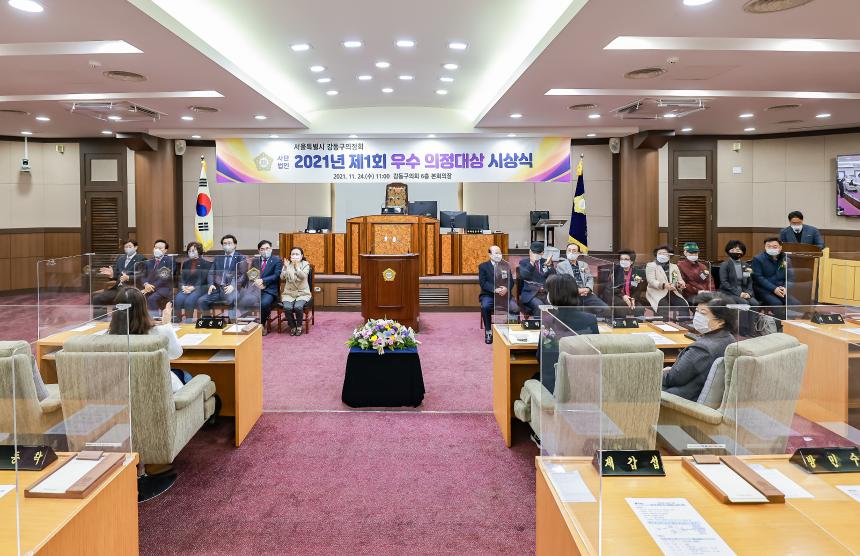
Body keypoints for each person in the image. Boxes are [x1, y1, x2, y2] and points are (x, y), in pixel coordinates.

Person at [108, 288, 187, 392]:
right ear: (143, 309)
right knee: (186, 375)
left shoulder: (108, 337)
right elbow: (176, 354)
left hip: (122, 390)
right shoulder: (158, 332)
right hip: (158, 389)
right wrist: (167, 325)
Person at [662, 292, 737, 401]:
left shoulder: (702, 349)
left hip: (681, 400)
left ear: (720, 321)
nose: (697, 316)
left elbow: (672, 379)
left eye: (703, 313)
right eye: (697, 311)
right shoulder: (730, 339)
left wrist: (662, 372)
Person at [534, 273, 599, 394]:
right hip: (585, 386)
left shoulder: (549, 320)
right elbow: (595, 354)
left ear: (553, 295)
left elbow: (540, 357)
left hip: (554, 387)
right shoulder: (590, 319)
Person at [92, 239, 146, 316]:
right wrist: (112, 275)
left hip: (130, 289)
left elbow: (142, 275)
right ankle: (100, 321)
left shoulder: (141, 258)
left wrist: (128, 277)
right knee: (97, 298)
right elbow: (117, 274)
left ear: (136, 247)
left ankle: (121, 322)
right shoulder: (121, 259)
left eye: (130, 246)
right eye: (126, 247)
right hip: (118, 289)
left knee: (118, 306)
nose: (127, 248)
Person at [198, 234, 248, 317]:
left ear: (235, 245)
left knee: (231, 299)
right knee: (201, 301)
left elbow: (243, 275)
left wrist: (234, 285)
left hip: (232, 289)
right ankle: (208, 320)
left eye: (229, 243)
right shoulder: (218, 257)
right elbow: (211, 272)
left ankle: (231, 321)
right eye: (224, 243)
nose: (227, 245)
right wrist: (211, 284)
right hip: (217, 288)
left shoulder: (241, 257)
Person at [555, 243, 610, 318]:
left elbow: (589, 278)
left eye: (574, 251)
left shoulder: (584, 264)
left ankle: (594, 322)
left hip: (586, 294)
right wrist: (577, 290)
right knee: (577, 314)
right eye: (569, 250)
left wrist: (588, 289)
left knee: (606, 309)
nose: (571, 252)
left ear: (578, 253)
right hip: (572, 295)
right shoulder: (561, 266)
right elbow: (563, 283)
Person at [241, 240, 283, 336]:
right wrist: (255, 282)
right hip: (256, 289)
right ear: (259, 251)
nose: (265, 251)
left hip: (269, 290)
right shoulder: (256, 260)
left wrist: (263, 281)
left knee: (264, 304)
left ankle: (261, 324)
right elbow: (252, 274)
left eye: (267, 248)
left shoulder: (277, 260)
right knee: (244, 300)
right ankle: (250, 323)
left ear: (271, 249)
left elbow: (277, 275)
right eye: (262, 249)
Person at [478, 245, 519, 344]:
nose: (499, 255)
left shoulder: (506, 265)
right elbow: (483, 283)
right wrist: (495, 290)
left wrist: (506, 288)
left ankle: (513, 331)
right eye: (496, 253)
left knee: (515, 307)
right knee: (485, 306)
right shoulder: (483, 266)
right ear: (490, 255)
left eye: (500, 253)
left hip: (505, 295)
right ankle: (488, 332)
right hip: (489, 295)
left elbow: (511, 281)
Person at [752, 237, 796, 318]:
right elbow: (758, 278)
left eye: (775, 246)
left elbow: (791, 277)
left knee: (795, 304)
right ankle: (780, 324)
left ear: (780, 247)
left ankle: (791, 323)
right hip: (764, 289)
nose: (771, 248)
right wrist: (774, 289)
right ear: (765, 247)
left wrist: (785, 288)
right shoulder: (758, 259)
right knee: (777, 304)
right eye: (768, 246)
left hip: (781, 289)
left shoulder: (786, 259)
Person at [645, 245, 691, 319]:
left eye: (665, 254)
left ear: (669, 255)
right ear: (656, 255)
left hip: (672, 292)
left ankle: (683, 323)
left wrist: (680, 284)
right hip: (657, 292)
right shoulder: (651, 265)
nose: (662, 255)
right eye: (660, 253)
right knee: (664, 307)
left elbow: (679, 280)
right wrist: (664, 285)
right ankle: (665, 324)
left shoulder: (674, 266)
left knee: (683, 305)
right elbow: (651, 281)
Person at [174, 242, 211, 323]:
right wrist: (183, 286)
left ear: (199, 251)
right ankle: (177, 318)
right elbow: (182, 277)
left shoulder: (206, 264)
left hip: (200, 288)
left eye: (193, 250)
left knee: (189, 300)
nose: (191, 252)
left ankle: (189, 320)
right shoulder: (186, 263)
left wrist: (193, 287)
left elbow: (203, 279)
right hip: (187, 287)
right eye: (189, 250)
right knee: (178, 299)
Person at [517, 241, 555, 317]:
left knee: (553, 306)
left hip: (545, 293)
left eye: (538, 253)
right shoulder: (524, 262)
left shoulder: (546, 261)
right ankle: (538, 324)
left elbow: (553, 277)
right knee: (539, 306)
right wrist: (532, 263)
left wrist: (549, 267)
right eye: (533, 252)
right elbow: (524, 275)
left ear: (542, 253)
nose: (535, 255)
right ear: (530, 252)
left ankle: (550, 324)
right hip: (531, 294)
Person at [281, 247, 312, 335]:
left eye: (297, 254)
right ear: (290, 256)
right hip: (289, 293)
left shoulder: (305, 264)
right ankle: (292, 326)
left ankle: (299, 326)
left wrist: (297, 268)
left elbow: (303, 276)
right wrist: (285, 268)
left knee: (298, 307)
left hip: (302, 293)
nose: (295, 256)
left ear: (301, 256)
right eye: (293, 254)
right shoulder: (288, 264)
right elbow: (282, 277)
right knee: (287, 308)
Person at [718, 240, 758, 306]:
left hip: (744, 291)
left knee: (755, 303)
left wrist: (748, 293)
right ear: (729, 251)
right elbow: (724, 282)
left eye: (738, 250)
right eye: (733, 250)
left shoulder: (745, 265)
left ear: (743, 252)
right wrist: (739, 293)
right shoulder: (725, 265)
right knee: (744, 303)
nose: (736, 252)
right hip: (728, 292)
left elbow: (749, 281)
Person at [140, 239, 175, 313]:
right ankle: (144, 317)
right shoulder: (149, 261)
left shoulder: (170, 261)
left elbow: (164, 278)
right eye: (155, 247)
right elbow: (143, 275)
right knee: (137, 297)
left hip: (164, 287)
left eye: (160, 248)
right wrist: (146, 284)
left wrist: (151, 287)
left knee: (151, 299)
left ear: (165, 250)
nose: (157, 250)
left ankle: (155, 317)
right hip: (148, 287)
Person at [611, 249, 645, 318]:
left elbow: (637, 289)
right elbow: (611, 287)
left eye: (626, 259)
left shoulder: (636, 273)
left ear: (631, 261)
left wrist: (633, 299)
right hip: (617, 296)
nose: (623, 261)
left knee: (640, 308)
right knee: (622, 306)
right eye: (621, 259)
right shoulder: (615, 271)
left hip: (631, 296)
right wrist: (623, 296)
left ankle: (637, 324)